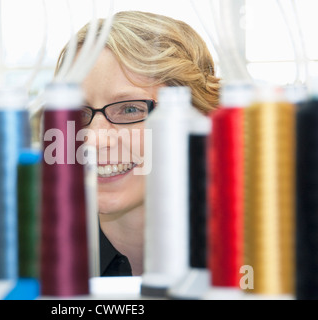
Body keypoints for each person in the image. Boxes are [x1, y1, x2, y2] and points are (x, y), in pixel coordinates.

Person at [54, 11, 220, 276]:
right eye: (80, 113)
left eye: (130, 109)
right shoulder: (37, 261)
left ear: (196, 118)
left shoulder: (254, 254)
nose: (93, 140)